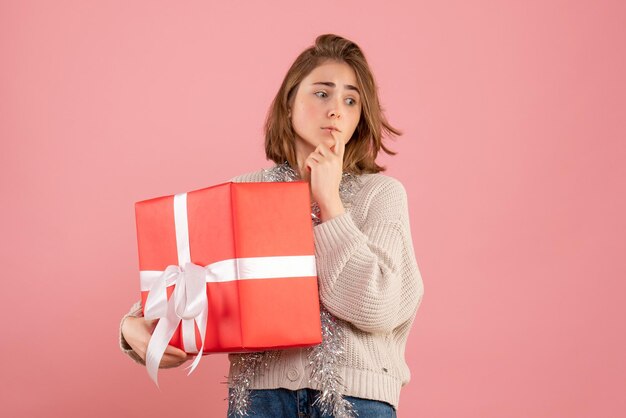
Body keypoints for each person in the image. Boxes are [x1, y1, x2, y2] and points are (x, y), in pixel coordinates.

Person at [120, 33, 425, 418]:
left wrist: (330, 202)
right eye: (322, 93)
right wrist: (132, 327)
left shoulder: (380, 195)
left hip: (356, 400)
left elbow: (374, 307)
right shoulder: (248, 190)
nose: (336, 110)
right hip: (261, 401)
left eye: (351, 100)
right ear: (289, 101)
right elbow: (200, 279)